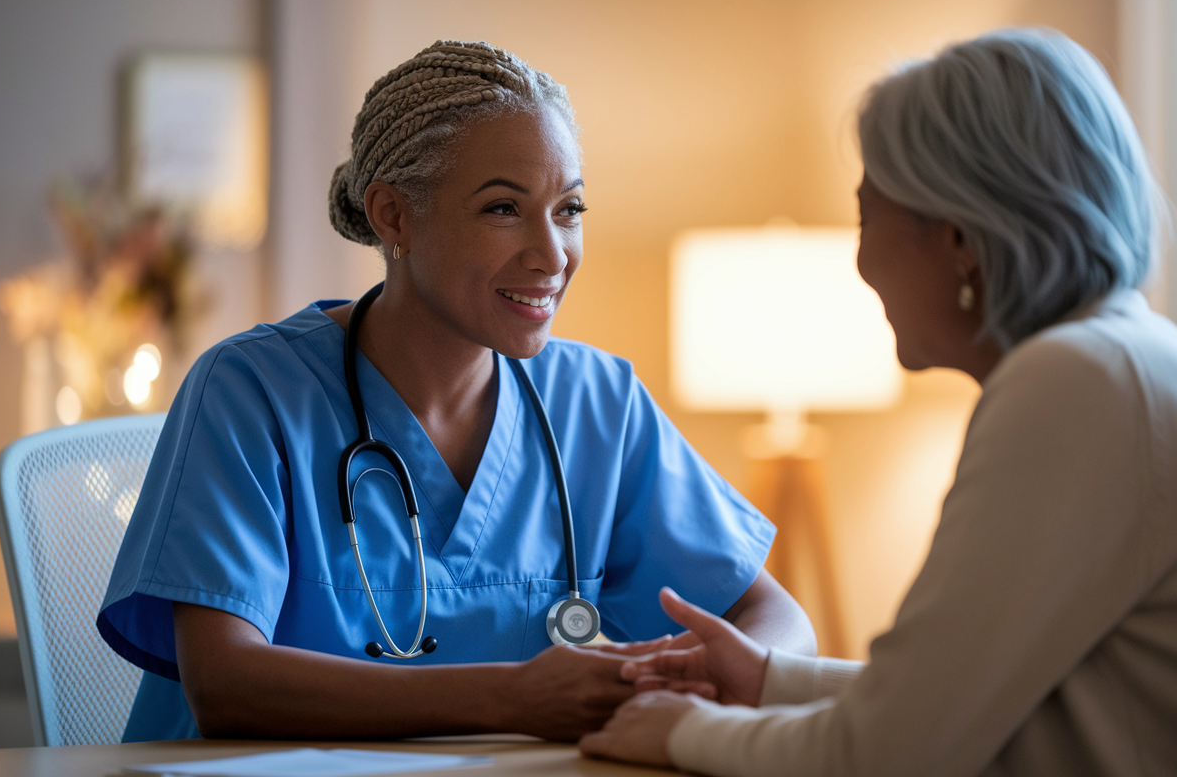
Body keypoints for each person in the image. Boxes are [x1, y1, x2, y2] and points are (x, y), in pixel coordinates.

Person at [580, 28, 1177, 775]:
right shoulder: (1124, 357)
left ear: (960, 236)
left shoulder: (1073, 385)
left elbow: (887, 755)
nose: (861, 260)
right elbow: (955, 695)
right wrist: (770, 680)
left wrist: (678, 733)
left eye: (869, 217)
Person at [97, 40, 815, 743]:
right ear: (394, 216)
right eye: (503, 209)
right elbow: (226, 686)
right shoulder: (253, 391)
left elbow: (779, 624)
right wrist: (515, 697)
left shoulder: (599, 402)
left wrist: (715, 673)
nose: (552, 254)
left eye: (569, 210)